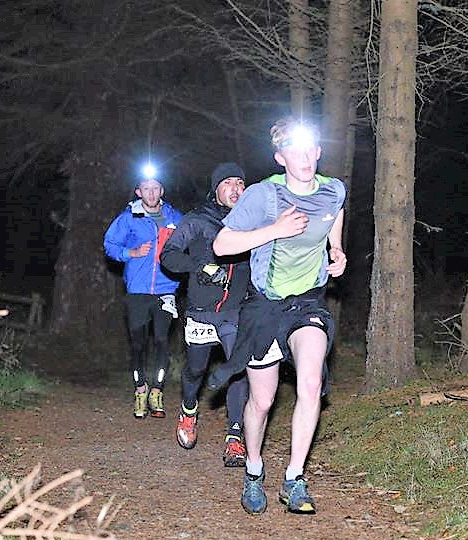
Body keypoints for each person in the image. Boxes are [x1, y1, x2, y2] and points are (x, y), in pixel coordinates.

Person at [212, 117, 347, 515]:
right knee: (263, 400)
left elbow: (334, 215)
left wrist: (335, 251)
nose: (304, 157)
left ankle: (294, 478)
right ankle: (254, 470)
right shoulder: (263, 195)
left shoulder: (333, 190)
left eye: (310, 149)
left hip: (308, 303)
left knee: (310, 384)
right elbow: (222, 245)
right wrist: (274, 229)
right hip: (265, 305)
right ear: (280, 156)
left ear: (318, 151)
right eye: (295, 150)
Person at [159, 162, 251, 465]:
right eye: (228, 183)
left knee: (239, 370)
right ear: (216, 189)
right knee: (196, 369)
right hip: (201, 311)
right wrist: (198, 267)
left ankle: (234, 437)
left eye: (240, 182)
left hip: (237, 311)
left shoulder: (253, 221)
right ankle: (188, 411)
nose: (236, 189)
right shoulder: (197, 220)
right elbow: (169, 256)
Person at [103, 168, 183, 419]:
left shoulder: (174, 217)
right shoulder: (129, 218)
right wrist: (131, 253)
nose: (151, 192)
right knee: (138, 343)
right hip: (137, 291)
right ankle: (140, 391)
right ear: (139, 191)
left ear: (162, 190)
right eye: (145, 188)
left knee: (161, 341)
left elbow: (189, 245)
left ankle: (157, 391)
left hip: (166, 290)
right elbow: (110, 245)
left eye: (155, 187)